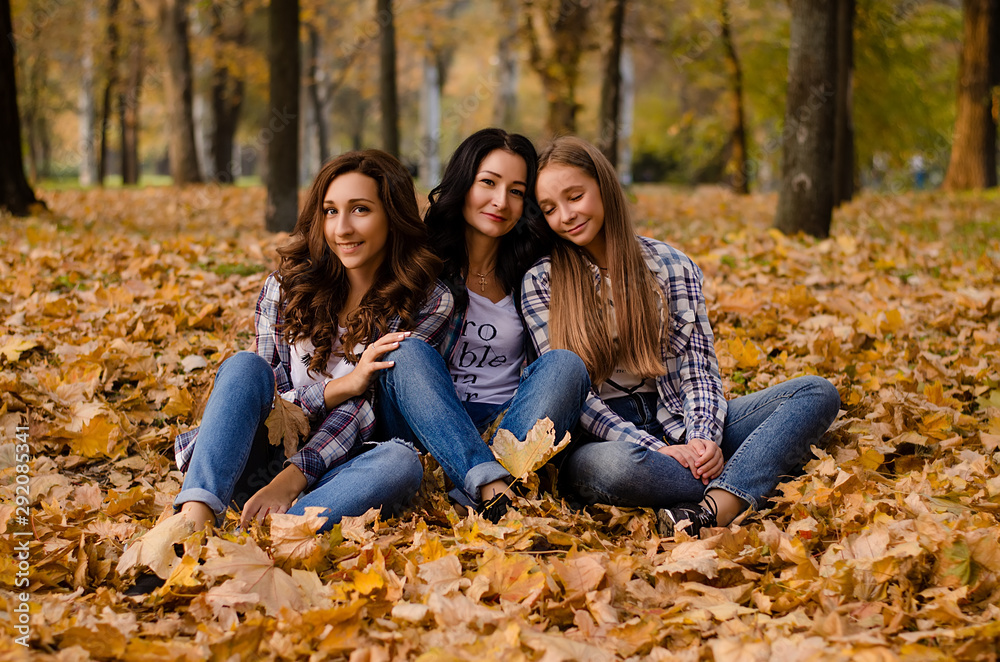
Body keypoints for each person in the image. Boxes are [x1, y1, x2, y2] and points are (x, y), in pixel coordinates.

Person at [522, 136, 840, 536]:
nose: (566, 215)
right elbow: (576, 397)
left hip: (675, 415)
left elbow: (699, 370)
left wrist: (703, 439)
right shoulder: (542, 281)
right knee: (615, 469)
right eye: (550, 208)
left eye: (575, 196)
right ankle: (759, 470)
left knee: (814, 393)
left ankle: (717, 502)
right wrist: (659, 451)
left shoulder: (670, 265)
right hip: (604, 442)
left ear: (603, 187)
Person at [171, 150, 454, 536]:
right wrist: (338, 388)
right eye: (330, 211)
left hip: (340, 471)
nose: (342, 229)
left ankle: (284, 531)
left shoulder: (428, 300)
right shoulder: (285, 287)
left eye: (360, 210)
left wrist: (291, 480)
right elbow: (274, 403)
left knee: (401, 461)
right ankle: (192, 521)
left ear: (393, 216)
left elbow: (366, 409)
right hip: (257, 459)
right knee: (244, 367)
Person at [376, 128, 590, 522]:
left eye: (516, 191)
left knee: (566, 365)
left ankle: (472, 490)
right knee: (404, 350)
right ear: (464, 183)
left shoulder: (535, 273)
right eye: (488, 183)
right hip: (424, 426)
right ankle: (492, 486)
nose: (500, 201)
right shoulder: (420, 263)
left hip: (506, 425)